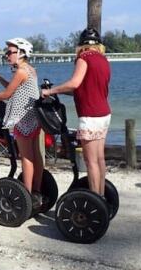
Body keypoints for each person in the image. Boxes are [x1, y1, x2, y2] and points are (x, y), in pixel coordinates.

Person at [41, 28, 110, 197]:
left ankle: (96, 199)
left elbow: (74, 83)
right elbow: (83, 89)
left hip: (90, 115)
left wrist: (49, 92)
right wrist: (58, 90)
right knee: (100, 159)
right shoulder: (103, 60)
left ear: (81, 45)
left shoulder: (83, 57)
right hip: (104, 113)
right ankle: (101, 196)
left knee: (90, 161)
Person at [0, 38, 45, 209]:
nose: (6, 55)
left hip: (22, 119)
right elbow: (14, 88)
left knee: (27, 157)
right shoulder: (30, 70)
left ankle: (27, 196)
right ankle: (36, 192)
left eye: (10, 52)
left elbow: (7, 95)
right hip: (33, 118)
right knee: (35, 155)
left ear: (21, 53)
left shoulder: (21, 71)